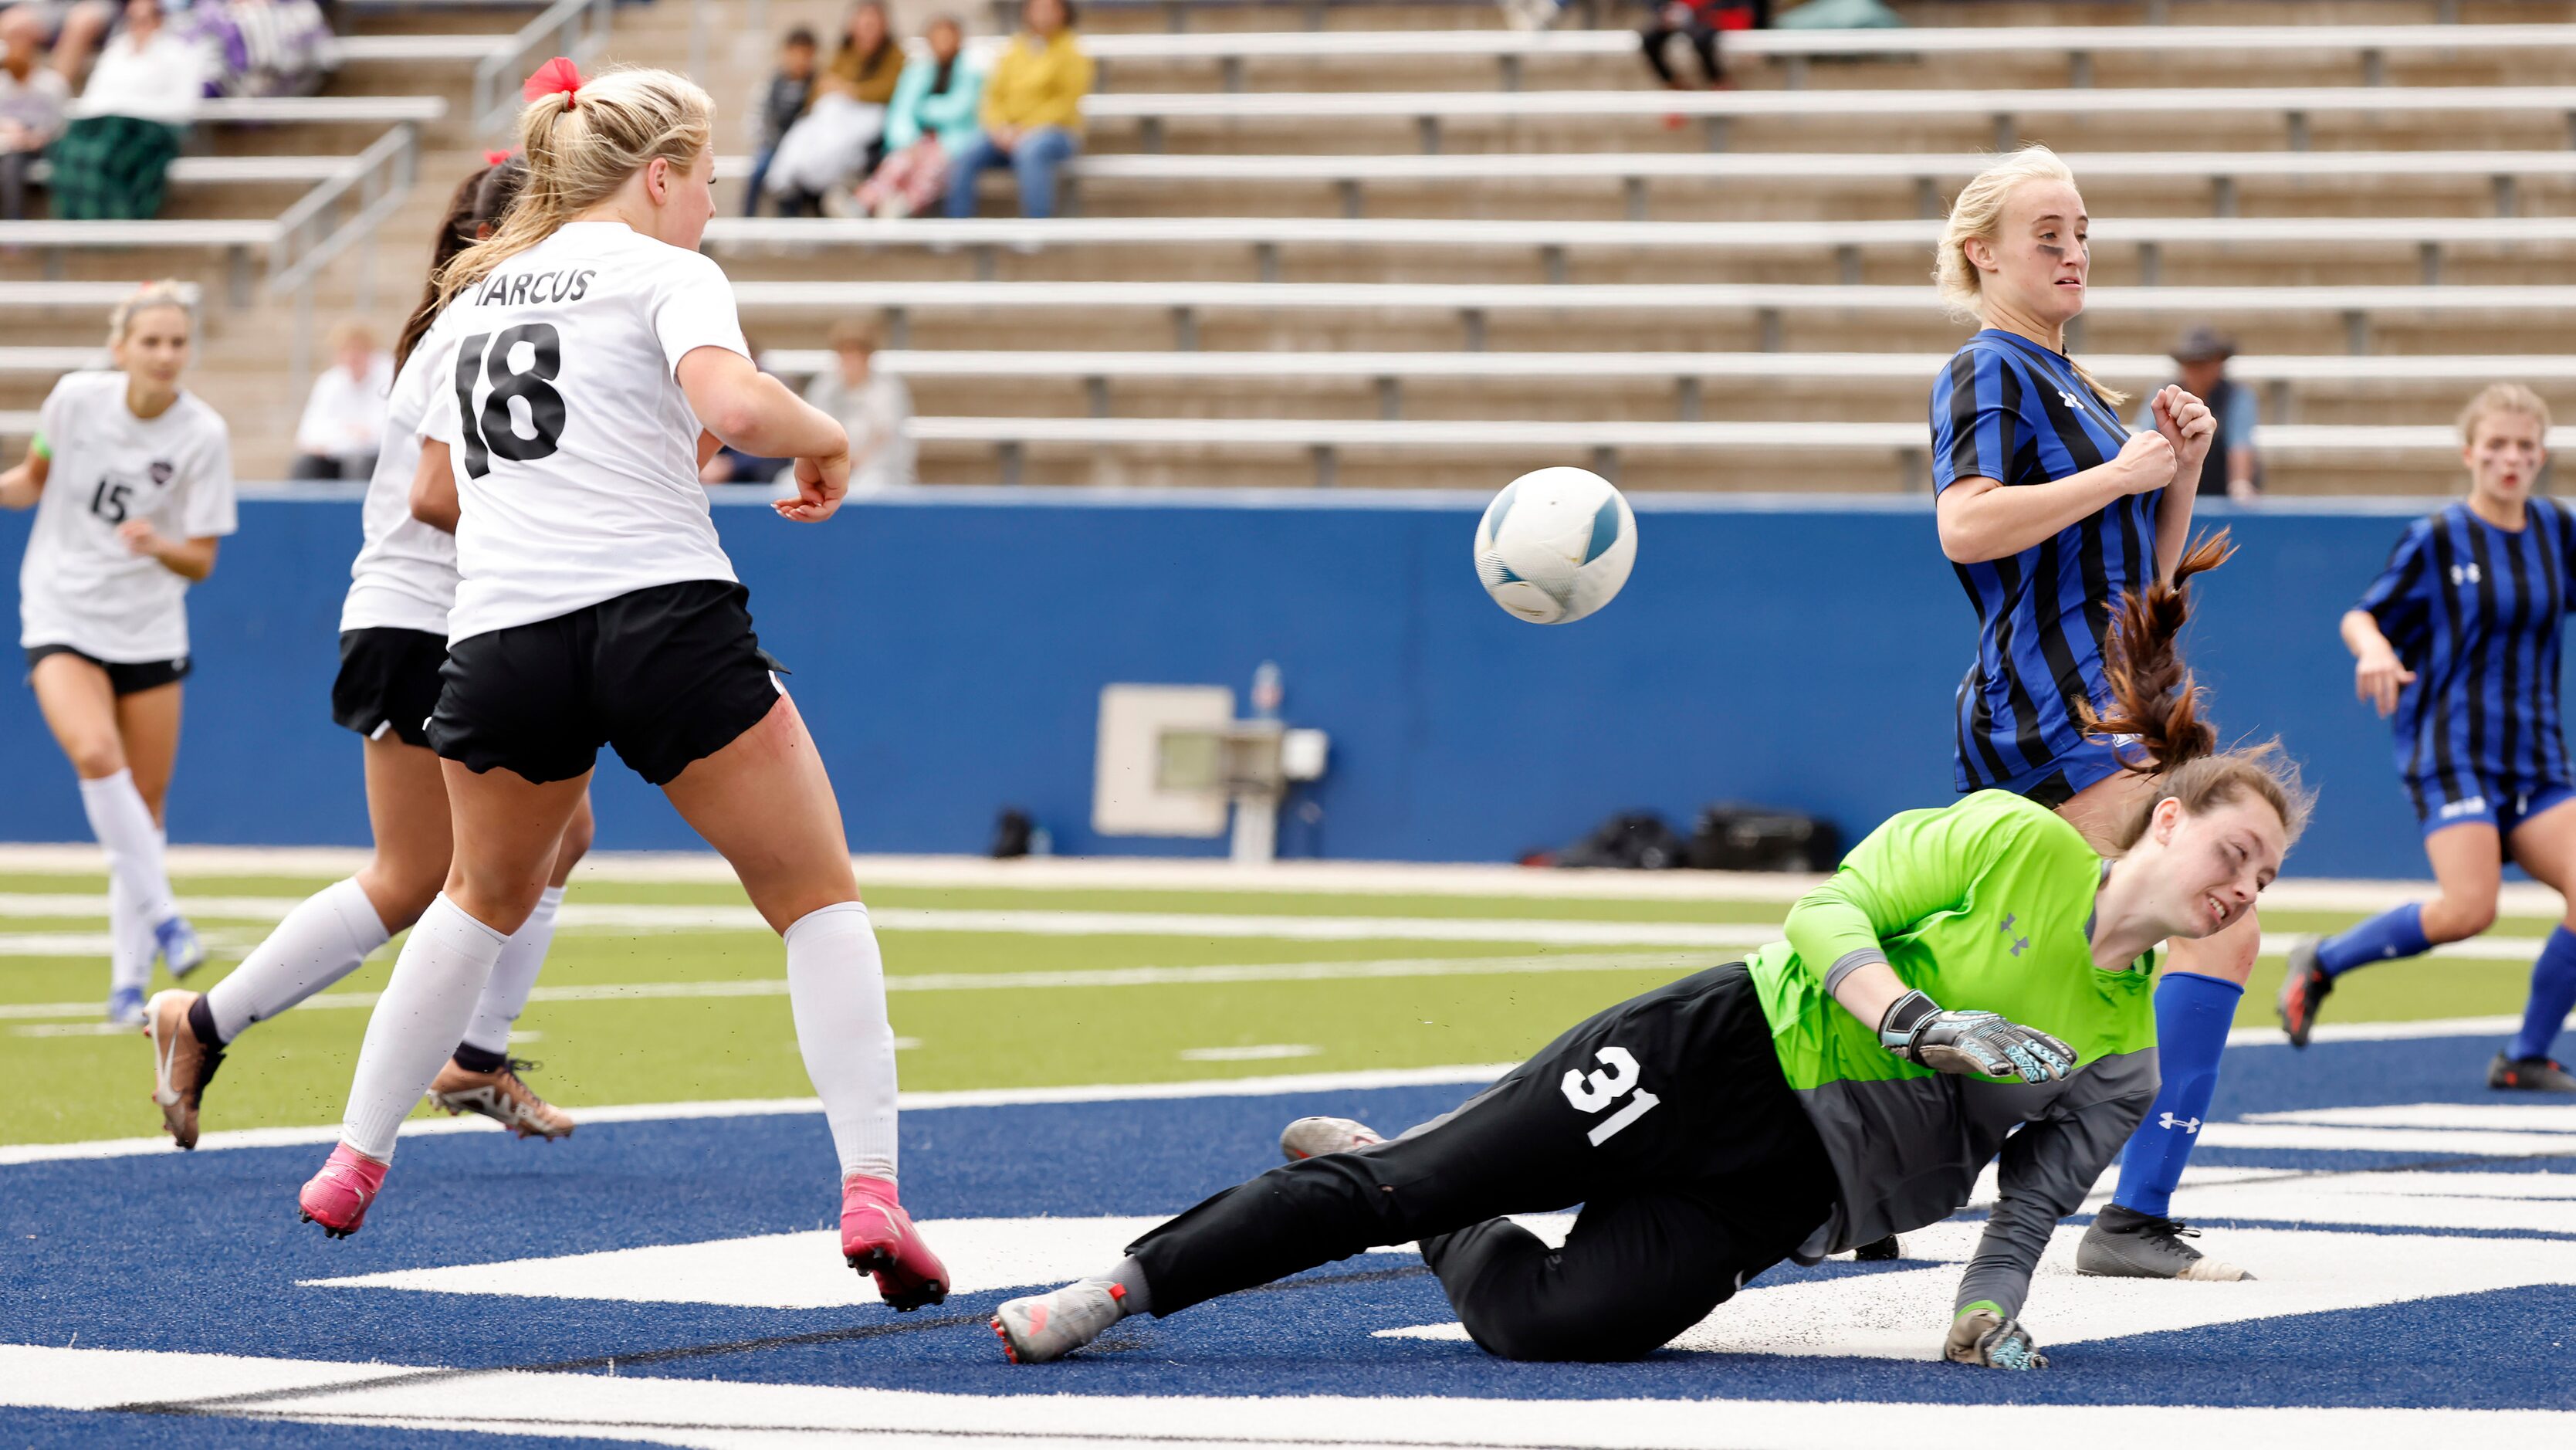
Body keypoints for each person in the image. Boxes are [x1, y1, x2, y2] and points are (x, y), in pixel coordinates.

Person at [992, 566, 2307, 1369]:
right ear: (2171, 818)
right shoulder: (2012, 840)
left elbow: (2028, 1204)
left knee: (1546, 1328)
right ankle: (1116, 1288)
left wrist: (1983, 1309)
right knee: (1393, 1189)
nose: (2244, 888)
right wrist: (1914, 1021)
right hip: (1717, 1049)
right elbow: (1825, 913)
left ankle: (1441, 1209)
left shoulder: (2123, 1053)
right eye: (2236, 849)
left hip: (1794, 1184)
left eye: (2265, 877)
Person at [290, 59, 948, 1315]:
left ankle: (353, 1153)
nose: (709, 207)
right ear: (656, 177)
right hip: (659, 614)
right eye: (704, 181)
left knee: (476, 898)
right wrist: (826, 435)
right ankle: (871, 1186)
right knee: (816, 898)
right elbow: (739, 407)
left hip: (500, 634)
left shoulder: (469, 292)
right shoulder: (668, 271)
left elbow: (435, 488)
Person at [140, 159, 595, 1154]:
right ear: (493, 241)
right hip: (421, 620)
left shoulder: (491, 321)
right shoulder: (463, 327)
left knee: (562, 834)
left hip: (466, 616)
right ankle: (201, 1022)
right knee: (412, 877)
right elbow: (436, 497)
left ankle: (476, 1058)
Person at [1928, 145, 2262, 1283]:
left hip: (2114, 698)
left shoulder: (2078, 383)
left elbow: (2140, 577)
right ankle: (2129, 1217)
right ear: (1983, 252)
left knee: (2033, 962)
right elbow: (1964, 527)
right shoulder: (1988, 368)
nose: (2073, 250)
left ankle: (1857, 1149)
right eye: (2047, 233)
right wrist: (2122, 473)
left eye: (2081, 229)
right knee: (2211, 913)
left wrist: (2175, 473)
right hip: (2046, 706)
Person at [2280, 384, 2576, 1093]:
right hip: (2452, 753)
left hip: (2535, 756)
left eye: (2523, 447)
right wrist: (2374, 650)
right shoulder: (2438, 538)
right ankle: (2322, 961)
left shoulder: (2555, 531)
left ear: (2540, 456)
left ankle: (2525, 1056)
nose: (2510, 459)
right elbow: (2361, 616)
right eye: (2496, 446)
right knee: (2469, 911)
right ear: (2469, 452)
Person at [0, 280, 228, 1025]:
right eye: (150, 341)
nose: (164, 355)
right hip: (62, 610)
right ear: (120, 347)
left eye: (176, 342)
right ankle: (169, 920)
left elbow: (201, 560)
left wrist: (160, 544)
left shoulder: (204, 434)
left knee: (146, 804)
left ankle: (128, 986)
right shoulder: (73, 401)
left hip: (150, 629)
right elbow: (30, 483)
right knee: (98, 757)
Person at [46, 0, 203, 220]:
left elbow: (183, 107)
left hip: (148, 129)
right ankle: (82, 221)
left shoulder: (180, 53)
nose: (137, 26)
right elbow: (93, 95)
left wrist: (127, 108)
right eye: (131, 20)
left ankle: (114, 220)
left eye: (143, 19)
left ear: (159, 20)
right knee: (67, 150)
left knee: (105, 154)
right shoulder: (116, 51)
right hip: (103, 123)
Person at [942, 0, 1089, 222]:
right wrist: (999, 127)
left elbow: (1065, 103)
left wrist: (1025, 129)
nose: (1043, 15)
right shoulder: (1015, 48)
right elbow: (993, 95)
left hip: (1056, 132)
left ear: (1064, 13)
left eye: (1049, 9)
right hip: (1007, 132)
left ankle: (1036, 225)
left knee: (1031, 151)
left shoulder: (1072, 51)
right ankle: (957, 223)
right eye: (1037, 8)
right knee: (966, 150)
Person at [763, 2, 900, 217]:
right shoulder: (843, 54)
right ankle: (787, 177)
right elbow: (821, 89)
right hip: (834, 117)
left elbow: (888, 90)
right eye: (862, 24)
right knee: (808, 129)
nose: (866, 31)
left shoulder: (895, 57)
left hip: (870, 121)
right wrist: (834, 92)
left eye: (872, 25)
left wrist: (850, 90)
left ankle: (820, 183)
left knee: (835, 140)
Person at [848, 14, 980, 221]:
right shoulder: (917, 72)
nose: (943, 44)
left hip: (951, 144)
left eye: (948, 37)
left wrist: (923, 108)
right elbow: (900, 111)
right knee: (899, 163)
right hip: (916, 142)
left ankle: (902, 207)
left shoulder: (971, 74)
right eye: (938, 38)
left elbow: (959, 109)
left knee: (930, 169)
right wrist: (908, 141)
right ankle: (861, 204)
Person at [2135, 326, 2260, 503]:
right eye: (2192, 363)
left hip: (2222, 496)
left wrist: (2239, 485)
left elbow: (2240, 444)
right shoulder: (2163, 396)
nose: (2198, 371)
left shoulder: (2237, 396)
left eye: (2205, 362)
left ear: (2219, 364)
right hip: (2170, 494)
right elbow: (2145, 438)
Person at [801, 319, 912, 491]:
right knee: (787, 484)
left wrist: (855, 462)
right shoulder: (823, 388)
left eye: (856, 352)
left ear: (868, 356)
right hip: (828, 468)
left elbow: (888, 439)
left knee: (870, 487)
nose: (850, 360)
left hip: (877, 471)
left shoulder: (887, 390)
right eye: (844, 352)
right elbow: (811, 433)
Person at [289, 319, 394, 482]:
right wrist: (350, 436)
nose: (352, 357)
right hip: (337, 459)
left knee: (359, 464)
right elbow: (307, 435)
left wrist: (342, 437)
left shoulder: (389, 376)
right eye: (346, 351)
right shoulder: (330, 381)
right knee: (306, 465)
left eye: (358, 350)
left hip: (375, 461)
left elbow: (385, 433)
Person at [0, 7, 68, 222]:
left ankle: (15, 225)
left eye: (22, 36)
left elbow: (61, 125)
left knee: (12, 162)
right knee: (10, 159)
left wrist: (39, 136)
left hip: (40, 146)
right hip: (6, 143)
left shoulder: (51, 83)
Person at [741, 25, 816, 218]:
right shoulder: (772, 84)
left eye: (805, 54)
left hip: (801, 150)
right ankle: (746, 222)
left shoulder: (816, 86)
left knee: (795, 184)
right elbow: (760, 119)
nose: (799, 61)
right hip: (773, 145)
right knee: (757, 173)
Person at [1640, 0, 1767, 92]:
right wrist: (1666, 11)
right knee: (1649, 40)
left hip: (1713, 18)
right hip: (1682, 17)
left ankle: (1719, 81)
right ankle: (1673, 84)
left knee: (1702, 39)